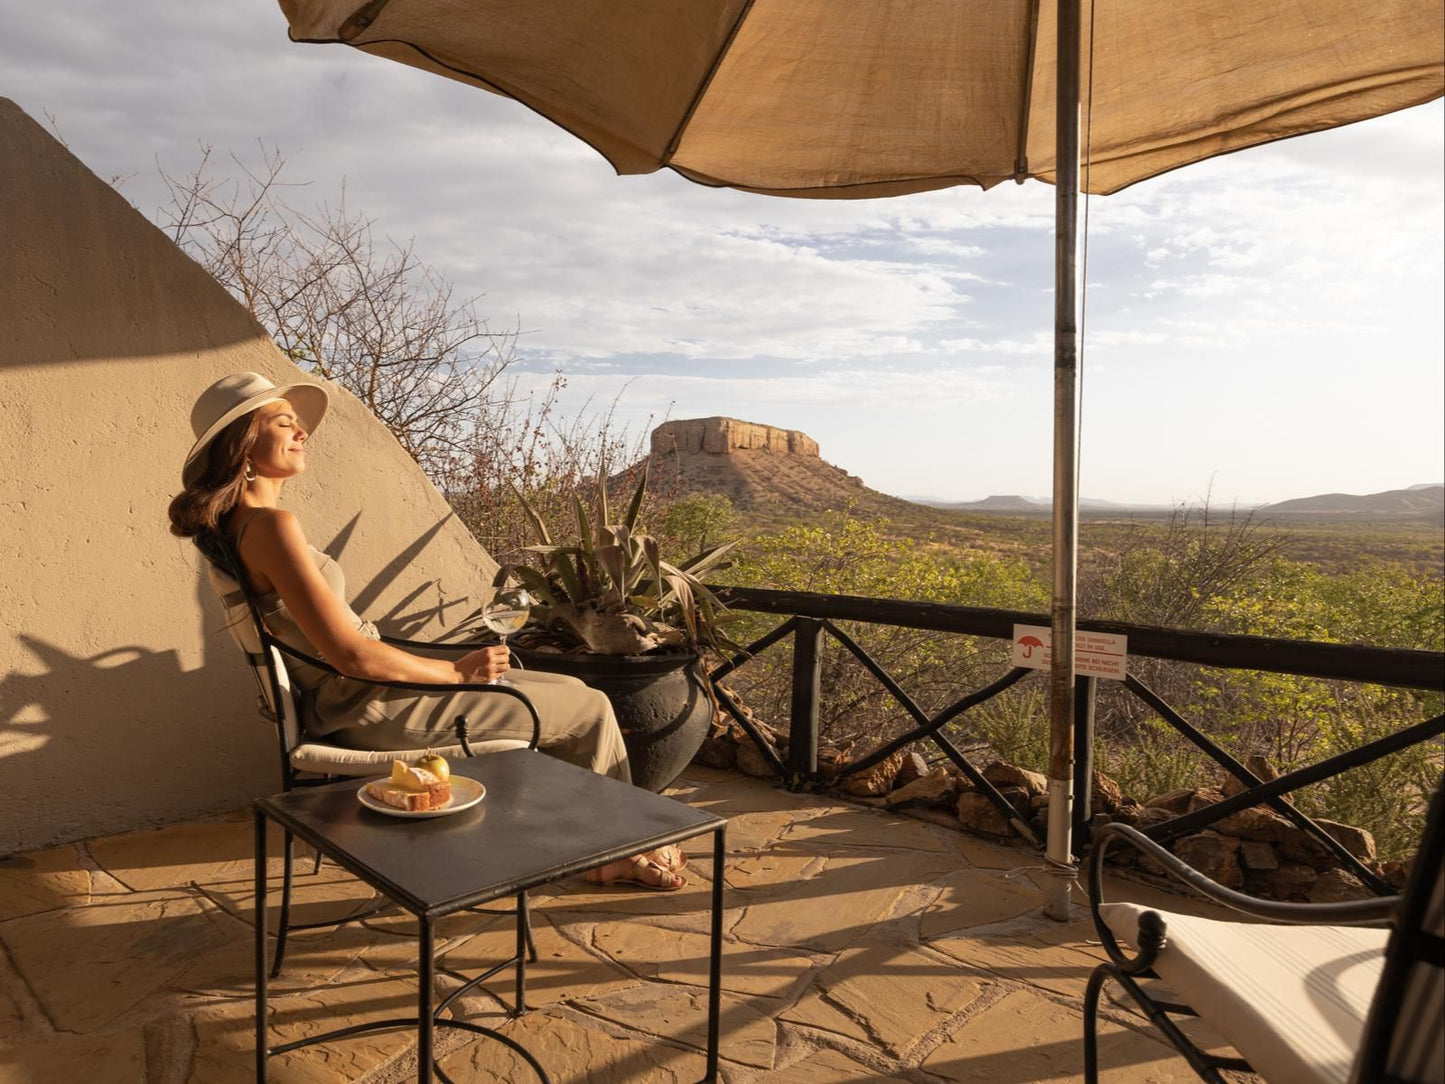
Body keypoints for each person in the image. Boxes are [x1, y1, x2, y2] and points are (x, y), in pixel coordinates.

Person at [168, 371, 685, 890]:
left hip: (359, 695)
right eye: (284, 422)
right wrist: (456, 672)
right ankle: (614, 848)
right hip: (370, 703)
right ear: (243, 446)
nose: (302, 432)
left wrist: (455, 670)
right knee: (588, 707)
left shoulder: (239, 529)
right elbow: (353, 657)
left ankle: (585, 836)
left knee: (574, 689)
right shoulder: (271, 528)